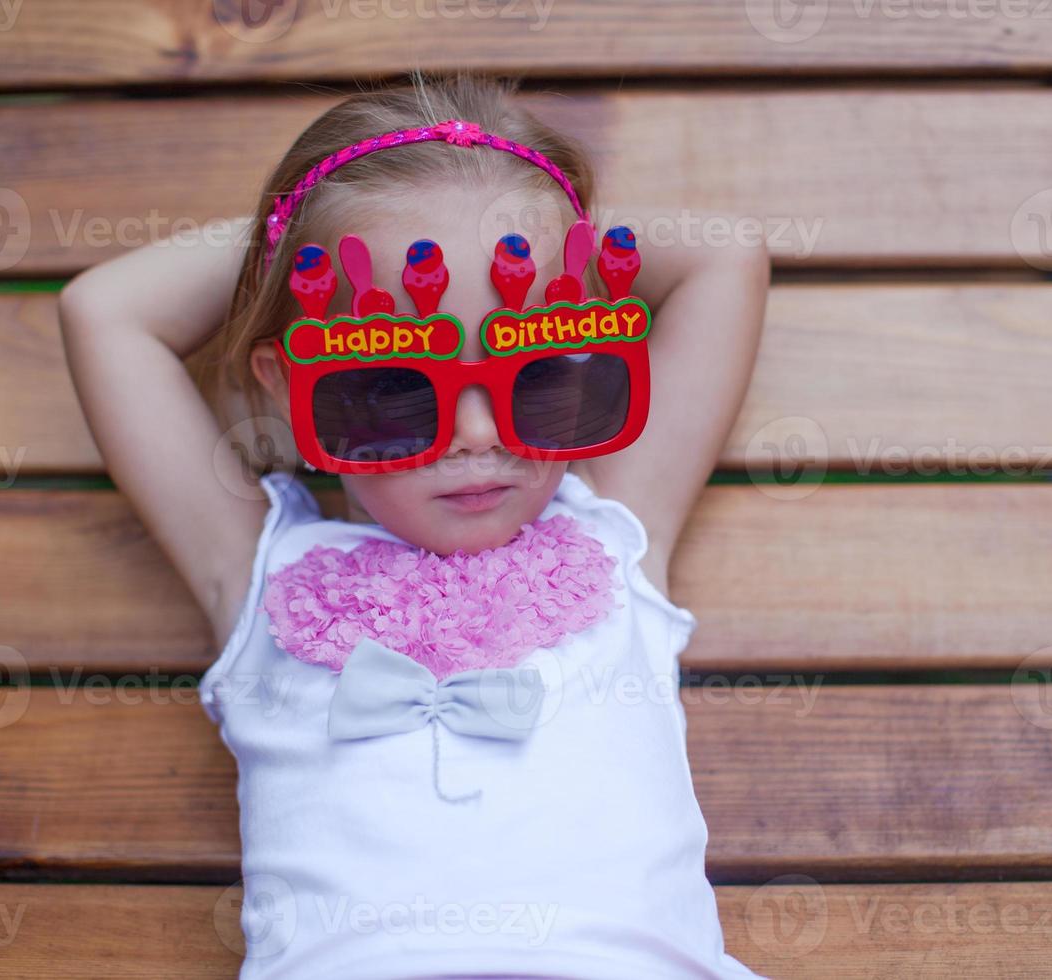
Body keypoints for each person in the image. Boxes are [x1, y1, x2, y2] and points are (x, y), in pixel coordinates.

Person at [58, 71, 771, 979]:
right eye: (392, 386)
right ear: (285, 387)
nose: (479, 437)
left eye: (539, 373)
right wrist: (306, 241)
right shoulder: (255, 571)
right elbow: (106, 313)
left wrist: (502, 206)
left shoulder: (616, 535)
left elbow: (727, 258)